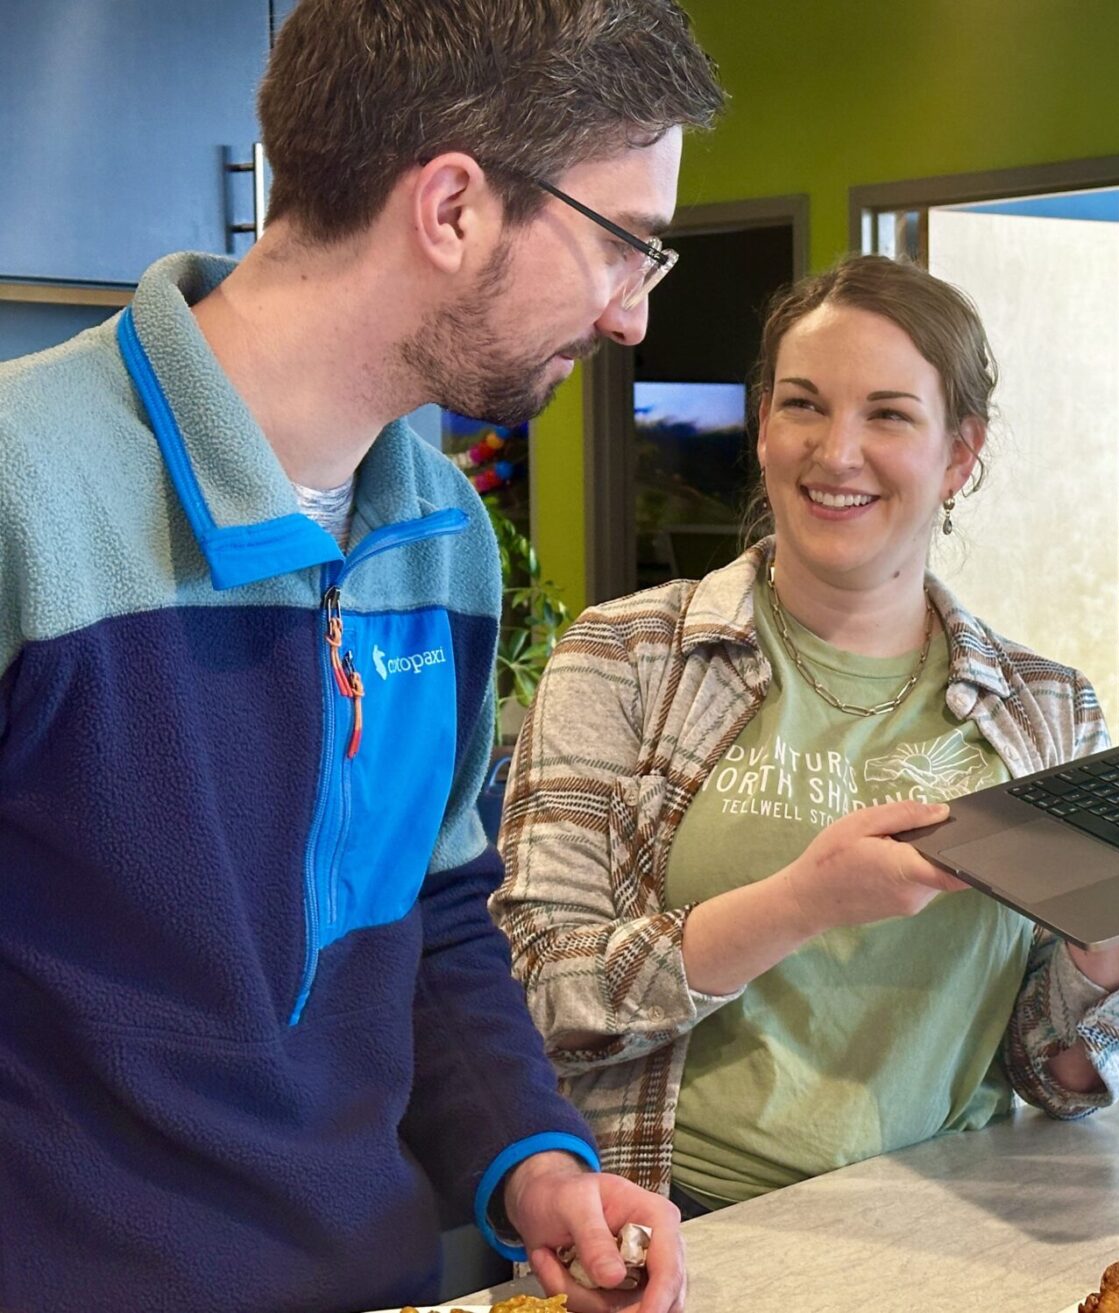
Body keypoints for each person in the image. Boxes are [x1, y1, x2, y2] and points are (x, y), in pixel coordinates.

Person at [0, 4, 722, 1311]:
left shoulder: (440, 540)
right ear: (451, 207)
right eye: (624, 245)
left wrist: (536, 1169)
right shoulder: (23, 495)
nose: (631, 319)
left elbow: (433, 916)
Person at [492, 255, 1119, 1216]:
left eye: (888, 415)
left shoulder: (1049, 712)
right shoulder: (625, 658)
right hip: (680, 1226)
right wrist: (801, 903)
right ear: (764, 422)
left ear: (959, 455)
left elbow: (1055, 1077)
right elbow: (544, 998)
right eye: (804, 405)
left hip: (946, 1230)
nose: (836, 451)